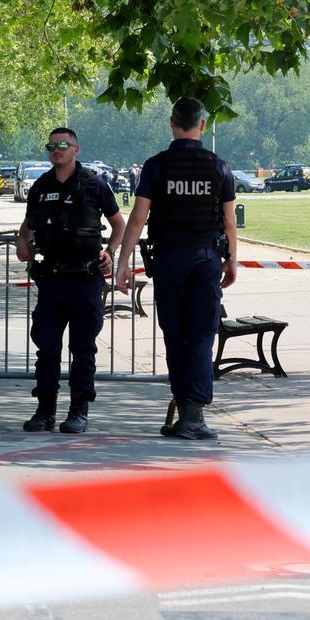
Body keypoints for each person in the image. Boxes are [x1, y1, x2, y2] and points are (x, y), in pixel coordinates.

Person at [115, 97, 237, 440]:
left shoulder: (157, 166)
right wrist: (233, 261)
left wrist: (124, 265)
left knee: (175, 335)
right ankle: (193, 413)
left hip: (169, 259)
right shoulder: (219, 167)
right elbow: (229, 222)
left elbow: (138, 218)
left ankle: (187, 410)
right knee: (201, 334)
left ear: (172, 123)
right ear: (203, 125)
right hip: (206, 259)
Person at [16, 128, 126, 433]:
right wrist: (22, 242)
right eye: (51, 145)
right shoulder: (40, 186)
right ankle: (45, 411)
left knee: (83, 348)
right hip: (51, 279)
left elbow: (119, 224)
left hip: (86, 277)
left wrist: (111, 252)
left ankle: (79, 410)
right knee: (47, 348)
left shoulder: (95, 184)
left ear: (76, 149)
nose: (56, 149)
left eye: (62, 144)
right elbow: (27, 226)